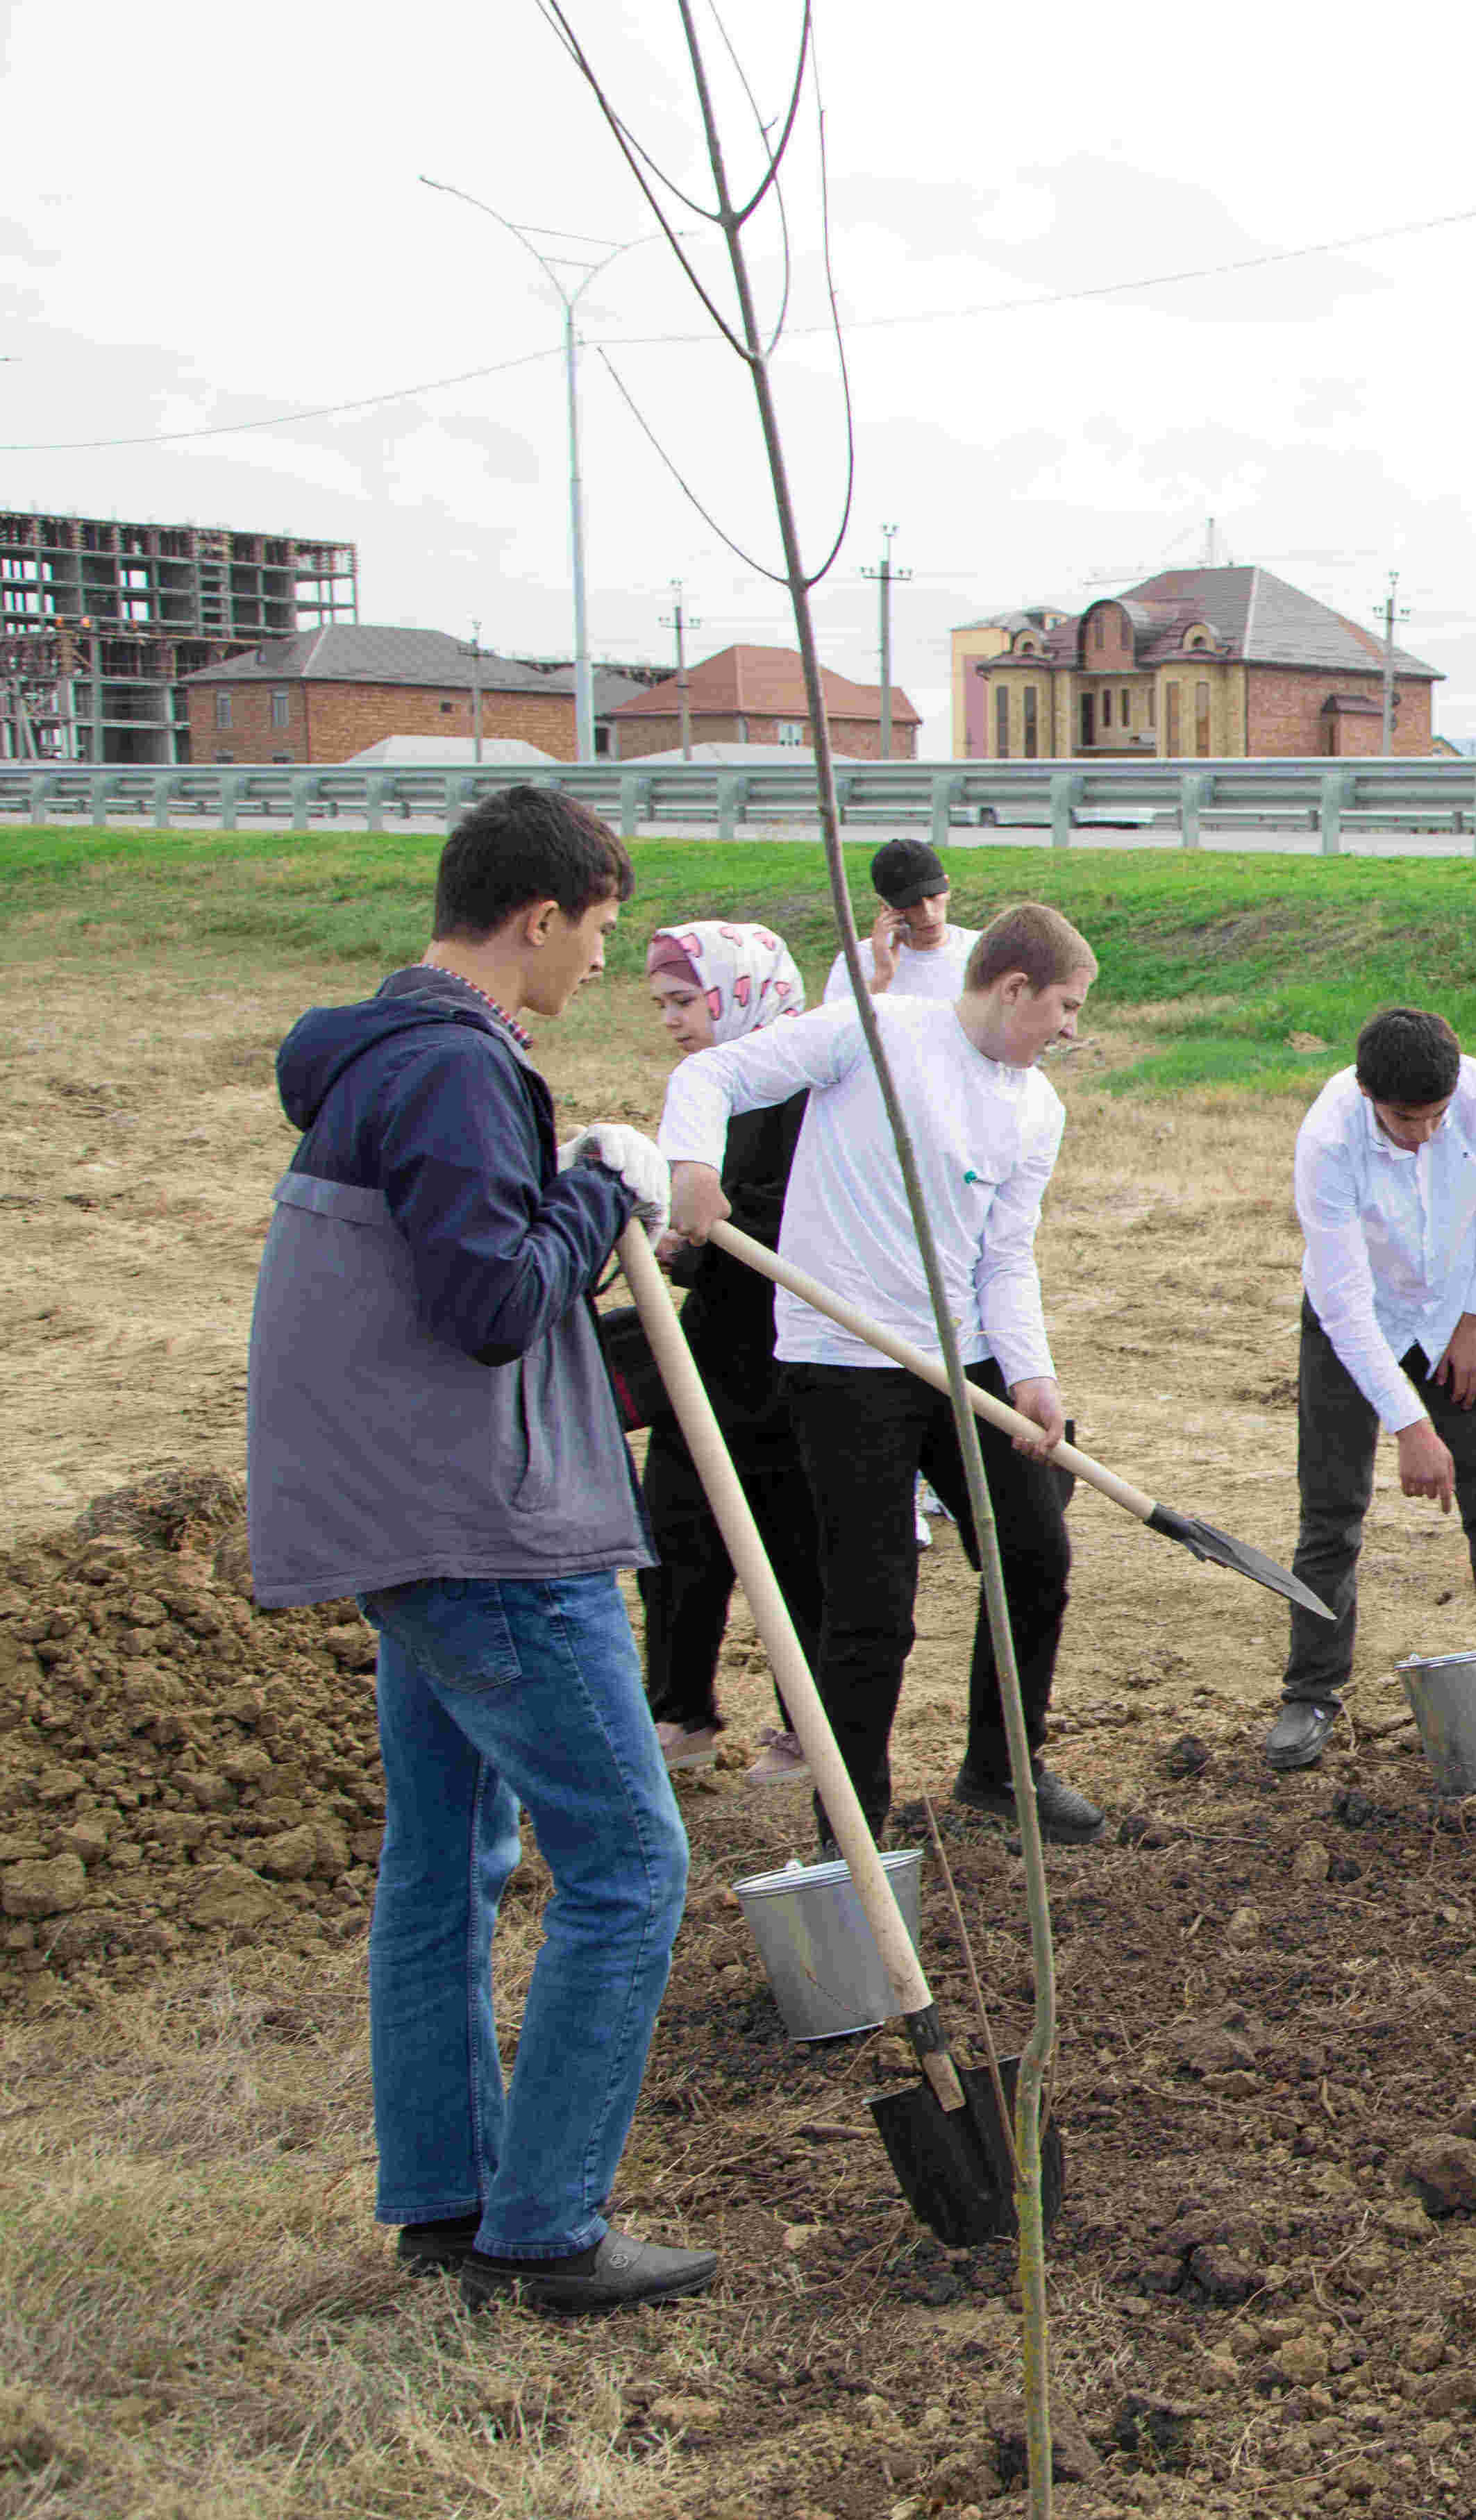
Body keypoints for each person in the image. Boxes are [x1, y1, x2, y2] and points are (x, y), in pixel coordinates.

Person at [244, 784, 714, 2313]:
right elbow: (492, 1304)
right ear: (540, 916)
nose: (600, 961)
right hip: (487, 1534)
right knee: (632, 1865)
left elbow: (454, 1292)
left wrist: (568, 1200)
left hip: (408, 1519)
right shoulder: (455, 1073)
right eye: (599, 930)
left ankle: (448, 2197)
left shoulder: (380, 1056)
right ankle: (546, 2230)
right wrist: (602, 1188)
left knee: (445, 1860)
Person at [661, 902, 1095, 1846]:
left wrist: (1030, 1374)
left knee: (1034, 1555)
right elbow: (713, 1071)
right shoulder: (876, 1031)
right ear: (1014, 986)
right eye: (1064, 1007)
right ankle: (853, 1826)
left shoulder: (1037, 1108)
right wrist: (691, 1163)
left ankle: (1000, 1770)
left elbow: (1005, 1257)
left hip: (961, 1354)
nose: (1071, 1030)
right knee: (873, 1604)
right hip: (843, 1359)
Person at [1270, 1006, 1476, 1771]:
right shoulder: (1328, 1139)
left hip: (1457, 1309)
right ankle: (1312, 1692)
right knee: (1331, 1512)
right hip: (1355, 1319)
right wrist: (1408, 1423)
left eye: (1435, 1116)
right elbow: (1342, 1301)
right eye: (1403, 1119)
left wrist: (1473, 1321)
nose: (1423, 1133)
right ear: (1367, 1094)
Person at [634, 921, 823, 1783]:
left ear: (739, 989)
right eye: (663, 1004)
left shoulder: (803, 1088)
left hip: (787, 1364)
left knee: (793, 1548)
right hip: (705, 1352)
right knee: (676, 1533)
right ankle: (680, 1713)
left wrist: (699, 1242)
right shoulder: (711, 1093)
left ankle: (806, 1728)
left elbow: (793, 1223)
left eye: (686, 1000)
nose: (673, 1020)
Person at [825, 838, 979, 1009]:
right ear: (885, 905)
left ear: (947, 887)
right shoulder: (857, 962)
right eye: (912, 903)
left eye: (933, 896)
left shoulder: (982, 950)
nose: (928, 913)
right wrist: (882, 977)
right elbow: (836, 1029)